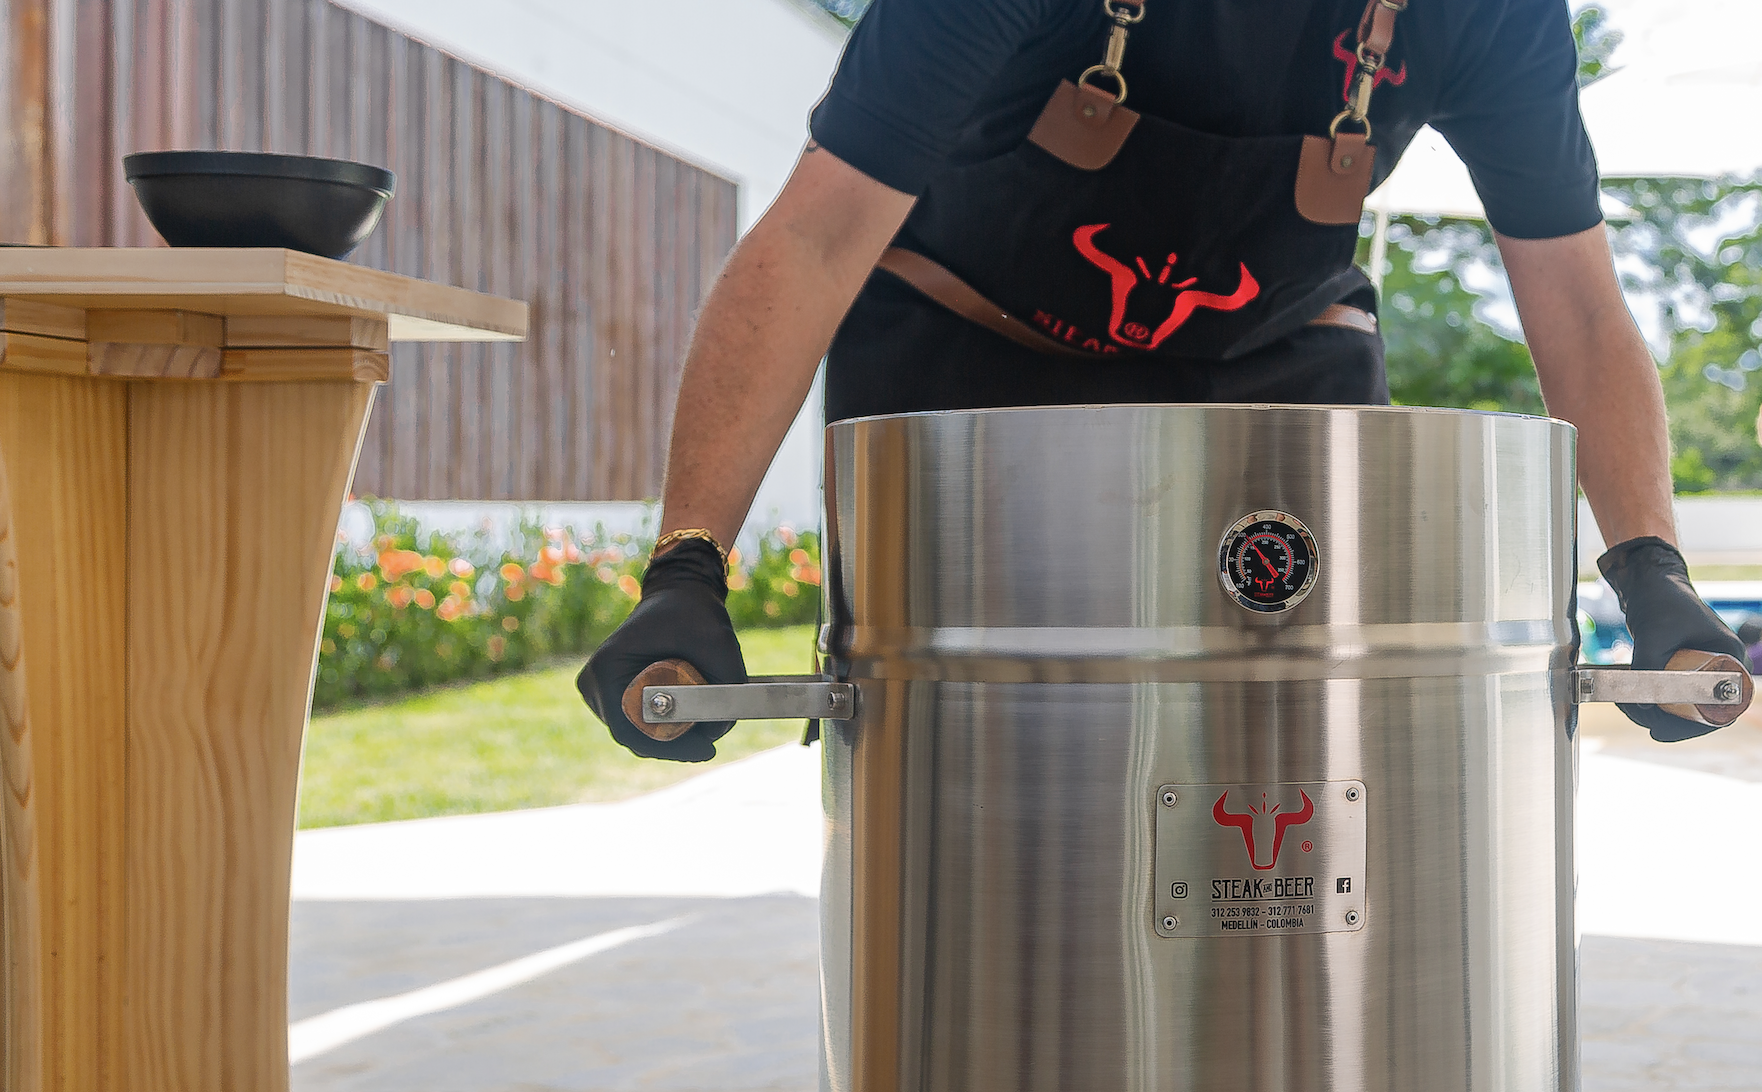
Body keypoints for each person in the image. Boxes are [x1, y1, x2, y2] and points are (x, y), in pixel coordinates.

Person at [578, 0, 1746, 758]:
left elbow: (1580, 307)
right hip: (968, 372)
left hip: (1273, 380)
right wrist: (690, 566)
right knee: (973, 772)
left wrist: (1649, 568)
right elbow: (815, 237)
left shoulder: (1485, 12)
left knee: (1302, 780)